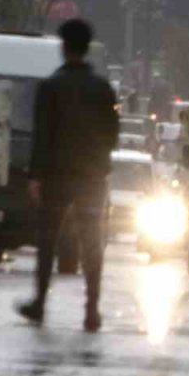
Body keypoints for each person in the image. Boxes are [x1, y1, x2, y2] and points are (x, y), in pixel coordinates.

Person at [18, 19, 118, 332]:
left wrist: (36, 176)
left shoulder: (50, 88)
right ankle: (92, 310)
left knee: (48, 241)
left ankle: (39, 304)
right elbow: (112, 136)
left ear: (64, 48)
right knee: (92, 241)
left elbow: (42, 136)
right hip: (92, 178)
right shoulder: (103, 89)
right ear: (87, 48)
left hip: (56, 177)